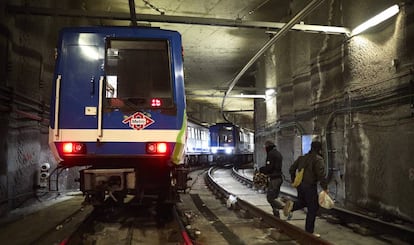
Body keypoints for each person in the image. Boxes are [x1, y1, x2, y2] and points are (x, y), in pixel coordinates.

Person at [283, 141, 328, 236]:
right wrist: (325, 187)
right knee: (313, 208)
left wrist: (294, 180)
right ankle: (309, 232)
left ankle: (292, 206)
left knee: (303, 202)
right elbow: (321, 175)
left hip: (300, 186)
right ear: (319, 149)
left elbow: (291, 169)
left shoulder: (302, 158)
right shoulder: (318, 159)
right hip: (310, 186)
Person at [259, 140, 284, 217]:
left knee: (270, 198)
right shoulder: (278, 153)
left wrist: (261, 170)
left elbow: (269, 168)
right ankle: (276, 217)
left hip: (274, 179)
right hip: (278, 178)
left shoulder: (271, 154)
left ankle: (285, 208)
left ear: (268, 147)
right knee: (274, 197)